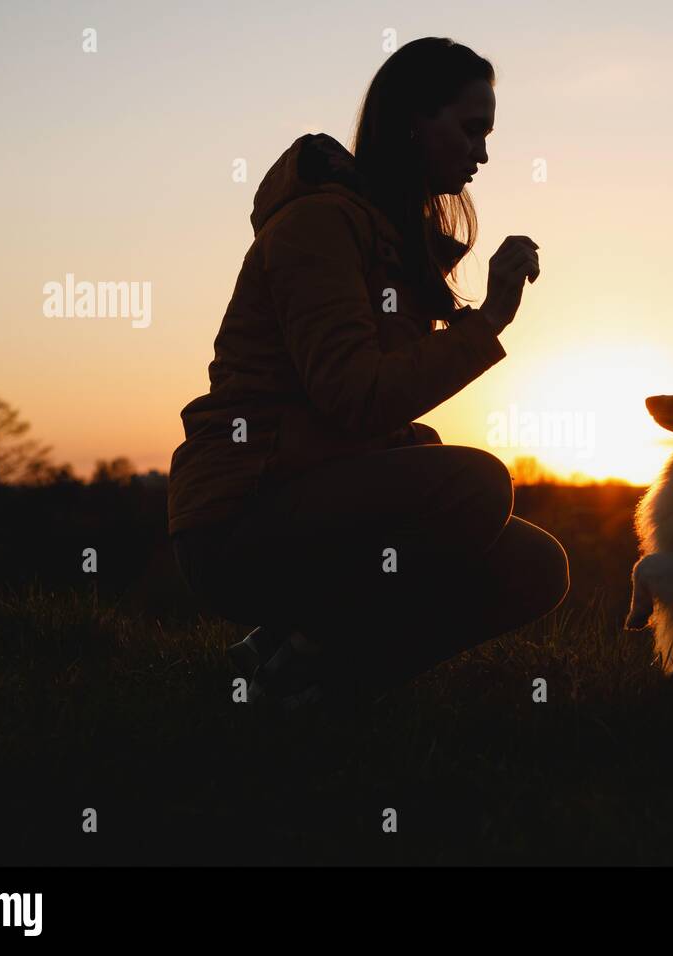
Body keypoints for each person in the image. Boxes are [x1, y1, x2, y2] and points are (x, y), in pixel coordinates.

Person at [168, 37, 569, 713]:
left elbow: (358, 413)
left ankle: (311, 688)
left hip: (310, 503)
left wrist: (415, 448)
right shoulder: (320, 223)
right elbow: (354, 398)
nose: (484, 154)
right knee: (476, 484)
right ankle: (294, 657)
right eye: (472, 130)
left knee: (535, 565)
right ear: (414, 119)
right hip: (239, 520)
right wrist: (489, 320)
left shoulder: (390, 239)